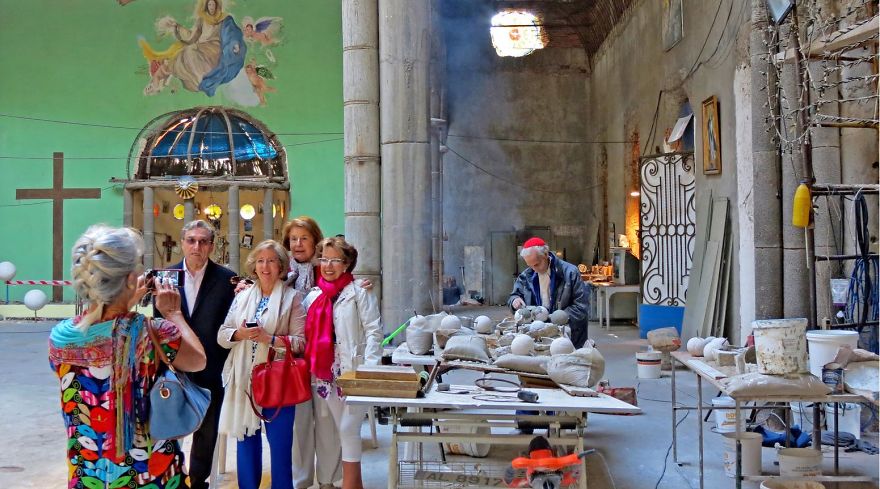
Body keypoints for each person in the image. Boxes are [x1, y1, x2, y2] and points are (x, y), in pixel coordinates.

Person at [49, 225, 207, 489]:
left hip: (89, 473)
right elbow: (198, 361)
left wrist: (124, 300)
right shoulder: (154, 333)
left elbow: (105, 327)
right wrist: (174, 314)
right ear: (131, 278)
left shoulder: (61, 338)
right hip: (150, 474)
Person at [217, 240, 306, 489]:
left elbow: (300, 343)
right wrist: (240, 334)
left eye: (271, 261)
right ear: (254, 266)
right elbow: (222, 335)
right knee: (245, 439)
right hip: (243, 378)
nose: (265, 266)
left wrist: (269, 338)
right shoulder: (242, 297)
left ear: (281, 266)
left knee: (280, 447)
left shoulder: (292, 298)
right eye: (260, 261)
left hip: (277, 379)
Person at [303, 237, 382, 489]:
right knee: (344, 430)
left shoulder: (360, 291)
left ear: (346, 264)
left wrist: (370, 368)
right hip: (325, 371)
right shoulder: (314, 295)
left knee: (348, 427)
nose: (328, 266)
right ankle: (355, 484)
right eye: (324, 259)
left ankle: (349, 485)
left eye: (335, 260)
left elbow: (374, 331)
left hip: (354, 369)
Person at [165, 220, 236, 489]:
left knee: (207, 430)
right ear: (182, 243)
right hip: (173, 367)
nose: (197, 246)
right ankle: (174, 477)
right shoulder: (166, 277)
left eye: (203, 241)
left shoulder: (227, 279)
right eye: (191, 240)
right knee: (169, 427)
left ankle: (198, 481)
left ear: (212, 246)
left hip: (211, 366)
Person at [283, 217, 344, 489]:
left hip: (325, 359)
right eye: (293, 239)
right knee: (299, 423)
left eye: (304, 238)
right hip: (292, 359)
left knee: (327, 419)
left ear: (315, 241)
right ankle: (301, 480)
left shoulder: (329, 271)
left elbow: (350, 287)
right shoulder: (281, 272)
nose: (298, 244)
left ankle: (329, 479)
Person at [508, 237, 590, 348]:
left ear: (546, 255)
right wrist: (515, 300)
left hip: (568, 333)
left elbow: (581, 306)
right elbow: (514, 295)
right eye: (530, 265)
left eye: (536, 264)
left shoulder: (570, 272)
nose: (534, 269)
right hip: (538, 332)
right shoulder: (527, 275)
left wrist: (556, 317)